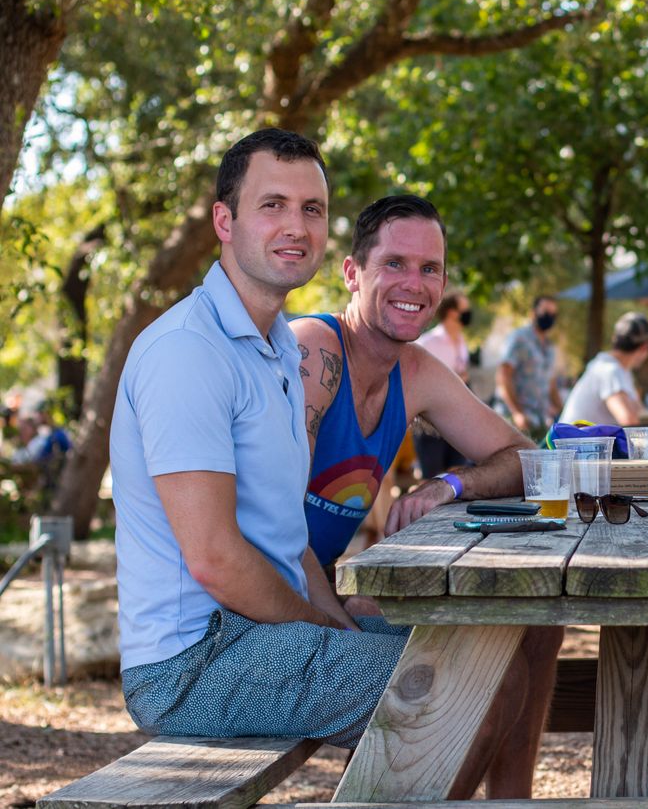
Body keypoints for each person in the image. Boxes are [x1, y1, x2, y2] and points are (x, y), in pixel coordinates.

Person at [110, 130, 464, 794]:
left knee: (482, 646)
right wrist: (324, 627)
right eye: (272, 204)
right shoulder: (189, 351)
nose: (295, 226)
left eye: (312, 209)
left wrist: (335, 615)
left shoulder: (277, 350)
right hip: (194, 661)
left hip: (255, 632)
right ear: (225, 220)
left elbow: (281, 534)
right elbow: (214, 558)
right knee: (444, 687)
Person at [294, 195, 558, 798]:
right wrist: (342, 630)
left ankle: (511, 801)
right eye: (394, 264)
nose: (414, 283)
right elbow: (271, 527)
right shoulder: (313, 351)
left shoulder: (413, 371)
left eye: (430, 268)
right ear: (353, 273)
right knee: (481, 681)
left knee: (535, 626)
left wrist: (452, 483)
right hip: (257, 608)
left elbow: (525, 457)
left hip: (325, 587)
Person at [557, 311, 648, 426]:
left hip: (584, 442)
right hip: (575, 443)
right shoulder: (610, 371)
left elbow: (640, 411)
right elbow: (629, 420)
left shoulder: (618, 369)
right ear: (644, 347)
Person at [410, 290, 473, 476]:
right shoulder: (428, 342)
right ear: (452, 312)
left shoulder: (462, 341)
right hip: (431, 423)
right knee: (432, 479)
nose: (469, 313)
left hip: (458, 421)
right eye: (465, 309)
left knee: (456, 475)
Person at [497, 295, 562, 439]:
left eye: (553, 314)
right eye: (545, 311)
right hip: (514, 421)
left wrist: (561, 412)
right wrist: (517, 413)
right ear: (533, 312)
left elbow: (550, 383)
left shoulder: (550, 347)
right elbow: (503, 376)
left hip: (540, 421)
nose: (549, 316)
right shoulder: (519, 338)